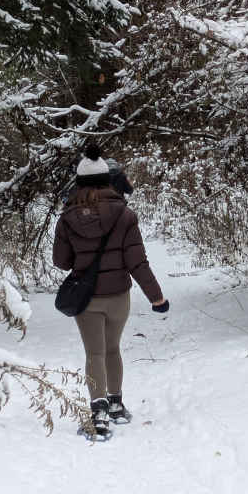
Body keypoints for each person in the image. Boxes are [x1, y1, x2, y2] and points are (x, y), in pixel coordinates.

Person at [53, 144, 169, 439]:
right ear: (107, 179)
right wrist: (157, 297)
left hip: (86, 298)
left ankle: (98, 412)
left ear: (79, 182)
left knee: (94, 351)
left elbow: (61, 262)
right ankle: (117, 405)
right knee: (113, 349)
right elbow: (137, 261)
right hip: (118, 296)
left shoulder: (67, 218)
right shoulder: (125, 215)